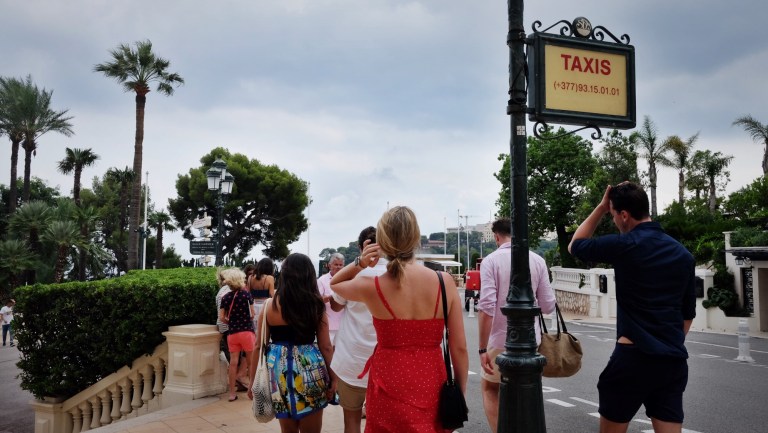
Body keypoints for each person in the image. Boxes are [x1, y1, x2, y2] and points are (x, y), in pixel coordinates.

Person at [568, 182, 696, 433]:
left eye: (614, 215)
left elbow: (576, 245)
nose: (615, 220)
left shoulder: (624, 245)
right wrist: (664, 343)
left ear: (624, 215)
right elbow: (687, 314)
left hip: (633, 358)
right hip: (671, 361)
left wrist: (601, 207)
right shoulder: (683, 254)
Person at [331, 206, 468, 433]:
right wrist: (459, 393)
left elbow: (335, 284)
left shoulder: (373, 286)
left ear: (383, 241)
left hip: (389, 380)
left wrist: (360, 263)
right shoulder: (444, 282)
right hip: (431, 380)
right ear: (416, 237)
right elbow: (459, 347)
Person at [477, 218, 556, 433]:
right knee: (526, 391)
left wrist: (482, 348)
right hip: (531, 341)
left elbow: (487, 307)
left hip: (499, 339)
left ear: (496, 237)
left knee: (490, 388)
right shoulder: (537, 260)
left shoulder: (491, 261)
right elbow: (548, 305)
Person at [248, 253, 336, 433]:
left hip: (279, 372)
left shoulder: (270, 305)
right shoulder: (315, 305)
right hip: (309, 369)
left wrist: (252, 382)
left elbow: (258, 346)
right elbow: (326, 346)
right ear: (309, 275)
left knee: (287, 430)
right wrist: (334, 378)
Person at [329, 226, 386, 433]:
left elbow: (335, 305)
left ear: (362, 247)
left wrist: (357, 264)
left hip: (352, 360)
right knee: (381, 422)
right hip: (384, 361)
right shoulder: (394, 273)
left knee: (351, 421)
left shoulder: (354, 275)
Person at [218, 268, 256, 402]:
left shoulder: (225, 297)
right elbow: (253, 314)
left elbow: (221, 317)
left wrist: (231, 322)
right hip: (247, 332)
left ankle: (232, 393)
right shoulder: (247, 295)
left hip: (233, 333)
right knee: (250, 362)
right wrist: (245, 320)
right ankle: (251, 390)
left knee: (233, 363)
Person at [317, 253, 345, 343]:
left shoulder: (348, 280)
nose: (338, 267)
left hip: (345, 325)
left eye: (340, 265)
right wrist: (333, 297)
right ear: (329, 266)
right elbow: (317, 300)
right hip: (329, 325)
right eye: (336, 264)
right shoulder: (321, 280)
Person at [249, 258, 276, 327]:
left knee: (255, 328)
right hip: (265, 306)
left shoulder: (250, 277)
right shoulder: (269, 278)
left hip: (253, 306)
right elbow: (272, 295)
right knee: (264, 328)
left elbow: (248, 294)